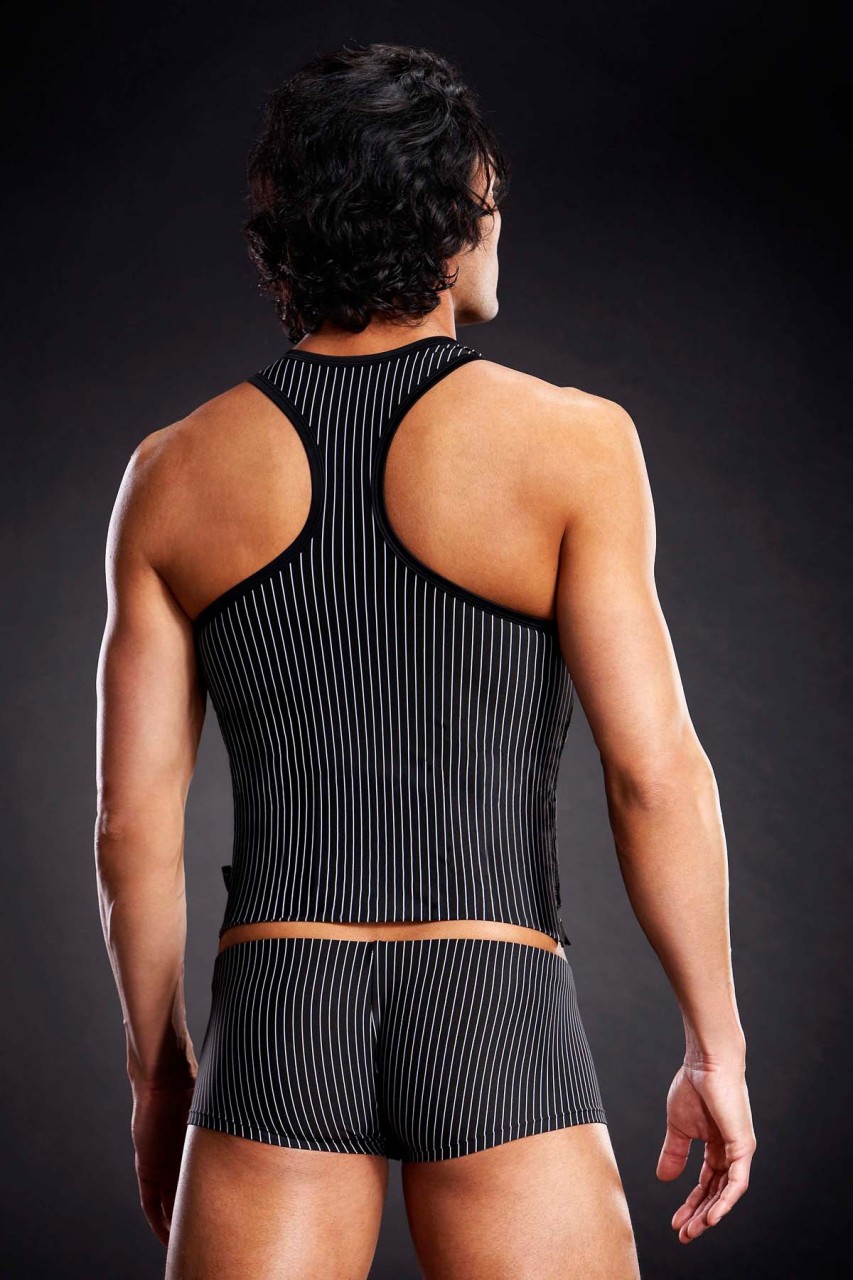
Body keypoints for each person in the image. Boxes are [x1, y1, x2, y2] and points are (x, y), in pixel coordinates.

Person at [95, 40, 755, 1280]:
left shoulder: (171, 473)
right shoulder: (572, 443)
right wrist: (714, 1045)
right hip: (491, 993)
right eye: (491, 196)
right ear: (454, 217)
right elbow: (653, 773)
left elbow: (132, 823)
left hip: (277, 1005)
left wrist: (159, 1075)